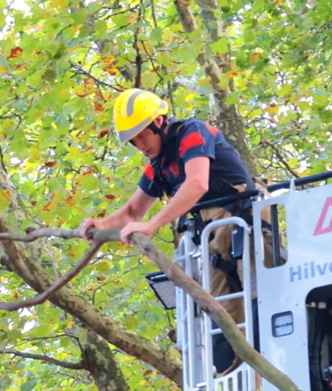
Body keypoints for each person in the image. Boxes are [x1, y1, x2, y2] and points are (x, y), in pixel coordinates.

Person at [78, 89, 273, 374]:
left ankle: (277, 357)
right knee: (223, 318)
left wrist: (152, 224)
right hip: (212, 237)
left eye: (142, 135)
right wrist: (102, 224)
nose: (140, 144)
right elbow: (133, 212)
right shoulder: (158, 166)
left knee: (262, 297)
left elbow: (197, 184)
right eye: (133, 141)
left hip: (243, 219)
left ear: (159, 121)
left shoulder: (193, 132)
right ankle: (242, 377)